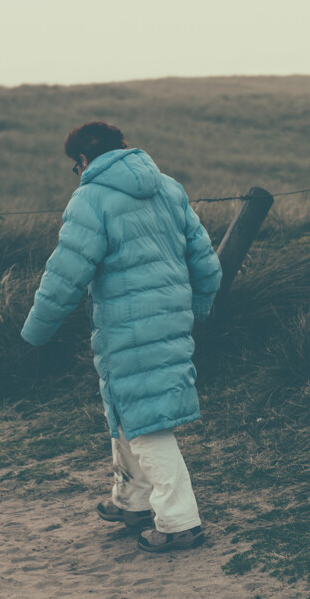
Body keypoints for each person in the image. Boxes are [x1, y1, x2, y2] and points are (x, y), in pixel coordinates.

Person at [21, 122, 222, 552]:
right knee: (129, 409)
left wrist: (35, 331)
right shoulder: (168, 188)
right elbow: (205, 261)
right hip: (171, 317)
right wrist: (199, 308)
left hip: (127, 323)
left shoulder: (90, 199)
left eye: (74, 166)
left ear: (82, 160)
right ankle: (134, 502)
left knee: (148, 423)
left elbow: (65, 275)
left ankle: (180, 522)